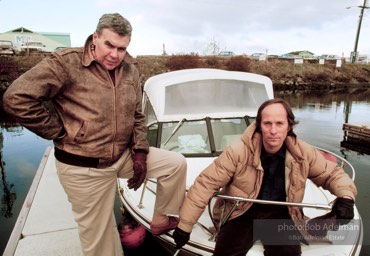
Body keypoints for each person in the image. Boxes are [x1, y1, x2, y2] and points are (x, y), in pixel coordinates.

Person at [3, 13, 186, 256]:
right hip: (83, 168)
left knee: (175, 164)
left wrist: (140, 152)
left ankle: (161, 219)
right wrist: (59, 131)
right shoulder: (65, 63)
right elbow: (15, 99)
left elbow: (137, 115)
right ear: (95, 37)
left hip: (121, 157)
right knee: (102, 245)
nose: (115, 54)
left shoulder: (130, 70)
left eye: (122, 48)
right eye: (109, 45)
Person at [173, 98, 357, 256]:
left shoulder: (303, 152)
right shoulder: (238, 150)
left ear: (289, 126)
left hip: (281, 213)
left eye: (279, 123)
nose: (273, 130)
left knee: (288, 253)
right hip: (241, 210)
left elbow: (332, 174)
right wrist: (185, 226)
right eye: (267, 123)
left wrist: (346, 197)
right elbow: (206, 184)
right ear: (259, 126)